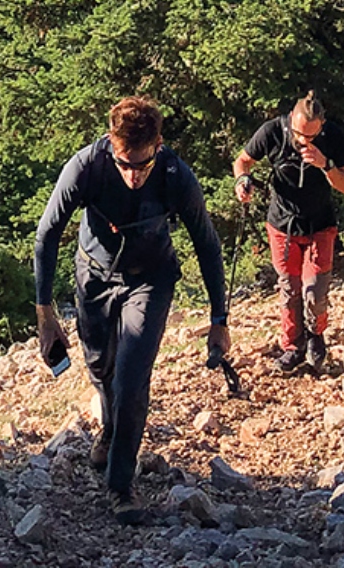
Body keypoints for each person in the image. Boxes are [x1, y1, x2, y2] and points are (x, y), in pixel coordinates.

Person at [34, 96, 231, 523]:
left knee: (131, 377)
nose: (133, 175)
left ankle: (121, 485)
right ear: (111, 142)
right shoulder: (86, 167)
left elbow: (207, 243)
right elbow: (48, 232)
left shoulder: (176, 176)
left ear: (159, 144)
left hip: (150, 279)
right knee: (100, 367)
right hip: (94, 277)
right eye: (125, 163)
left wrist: (219, 320)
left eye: (142, 164)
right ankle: (109, 429)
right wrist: (45, 313)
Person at [233, 91, 344, 373]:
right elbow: (243, 161)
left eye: (311, 136)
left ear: (321, 126)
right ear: (291, 120)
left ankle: (315, 336)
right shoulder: (273, 131)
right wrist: (242, 180)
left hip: (320, 223)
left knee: (315, 290)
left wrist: (325, 164)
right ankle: (292, 346)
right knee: (289, 288)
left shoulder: (333, 136)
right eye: (299, 134)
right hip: (282, 224)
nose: (303, 141)